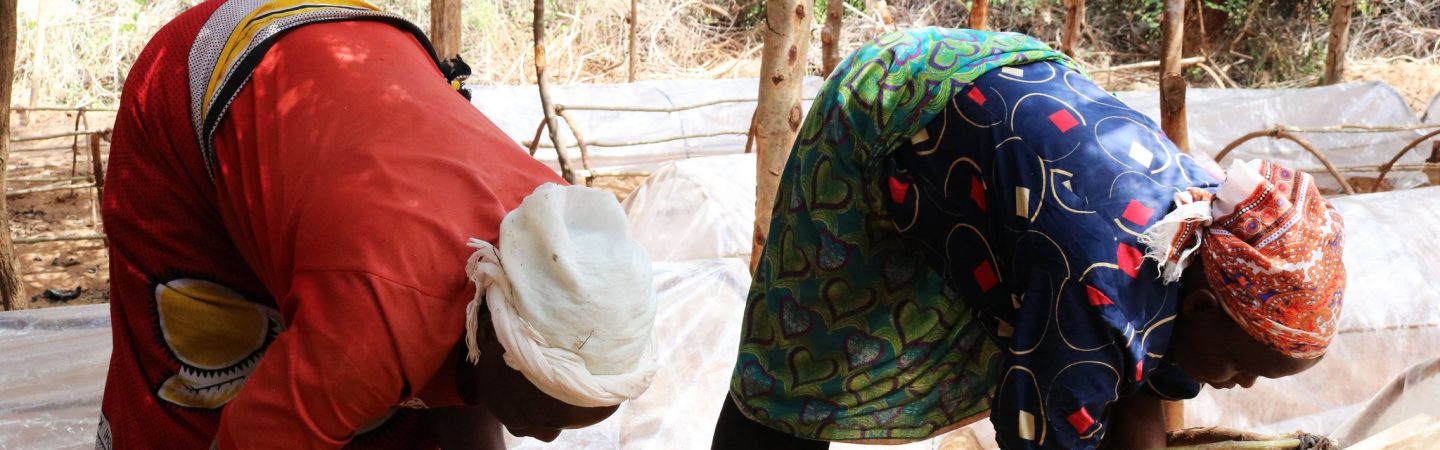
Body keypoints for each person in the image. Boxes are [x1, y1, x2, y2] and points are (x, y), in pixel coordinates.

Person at [712, 27, 1346, 450]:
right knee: (804, 358)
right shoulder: (1096, 290)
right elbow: (1049, 431)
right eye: (1243, 369)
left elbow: (1143, 387)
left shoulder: (1196, 233)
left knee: (1039, 317)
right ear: (1206, 306)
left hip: (1014, 139)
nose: (1239, 388)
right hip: (897, 99)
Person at [96, 1, 656, 448]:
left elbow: (463, 382)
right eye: (547, 414)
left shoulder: (551, 236)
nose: (544, 435)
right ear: (490, 335)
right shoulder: (383, 311)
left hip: (365, 73)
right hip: (209, 76)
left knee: (381, 406)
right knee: (200, 372)